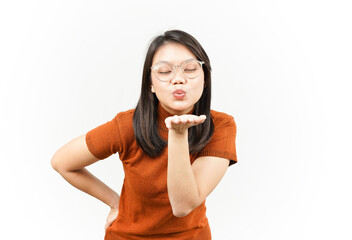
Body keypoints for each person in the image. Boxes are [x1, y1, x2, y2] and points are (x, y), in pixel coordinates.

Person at [51, 29, 237, 240]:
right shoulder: (127, 125)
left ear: (205, 79)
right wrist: (114, 202)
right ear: (150, 84)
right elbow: (62, 162)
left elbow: (183, 205)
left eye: (190, 68)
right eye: (165, 71)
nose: (178, 79)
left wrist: (177, 135)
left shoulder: (220, 126)